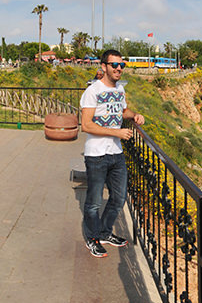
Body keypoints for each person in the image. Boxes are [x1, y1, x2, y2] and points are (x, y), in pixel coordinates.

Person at [78, 49, 145, 258]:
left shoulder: (119, 90)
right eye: (114, 65)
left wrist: (135, 115)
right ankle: (93, 238)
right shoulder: (92, 91)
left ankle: (105, 232)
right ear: (104, 67)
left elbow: (122, 111)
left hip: (116, 152)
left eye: (121, 65)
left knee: (118, 197)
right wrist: (116, 132)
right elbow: (86, 125)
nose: (118, 69)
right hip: (97, 154)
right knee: (94, 202)